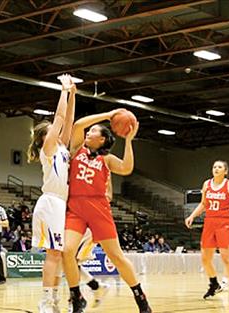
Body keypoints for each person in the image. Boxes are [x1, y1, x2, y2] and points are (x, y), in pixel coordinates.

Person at [62, 109, 152, 313]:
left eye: (93, 131)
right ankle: (77, 297)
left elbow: (127, 168)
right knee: (67, 251)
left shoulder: (107, 159)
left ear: (102, 140)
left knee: (117, 256)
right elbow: (77, 125)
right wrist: (108, 114)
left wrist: (129, 140)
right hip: (75, 207)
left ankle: (140, 297)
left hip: (98, 209)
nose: (88, 133)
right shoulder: (77, 150)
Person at [27, 74, 76, 313]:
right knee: (54, 255)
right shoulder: (48, 148)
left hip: (61, 204)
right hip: (50, 204)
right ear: (45, 137)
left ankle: (55, 299)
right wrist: (64, 90)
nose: (57, 131)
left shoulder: (63, 148)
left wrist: (74, 94)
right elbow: (59, 118)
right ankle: (46, 300)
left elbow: (69, 122)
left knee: (61, 255)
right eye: (52, 130)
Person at [185, 160, 229, 303]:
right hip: (209, 222)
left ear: (225, 171)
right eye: (214, 167)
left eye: (219, 167)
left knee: (226, 258)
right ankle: (214, 284)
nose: (216, 169)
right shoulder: (207, 184)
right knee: (205, 259)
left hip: (224, 223)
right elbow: (203, 204)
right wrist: (192, 216)